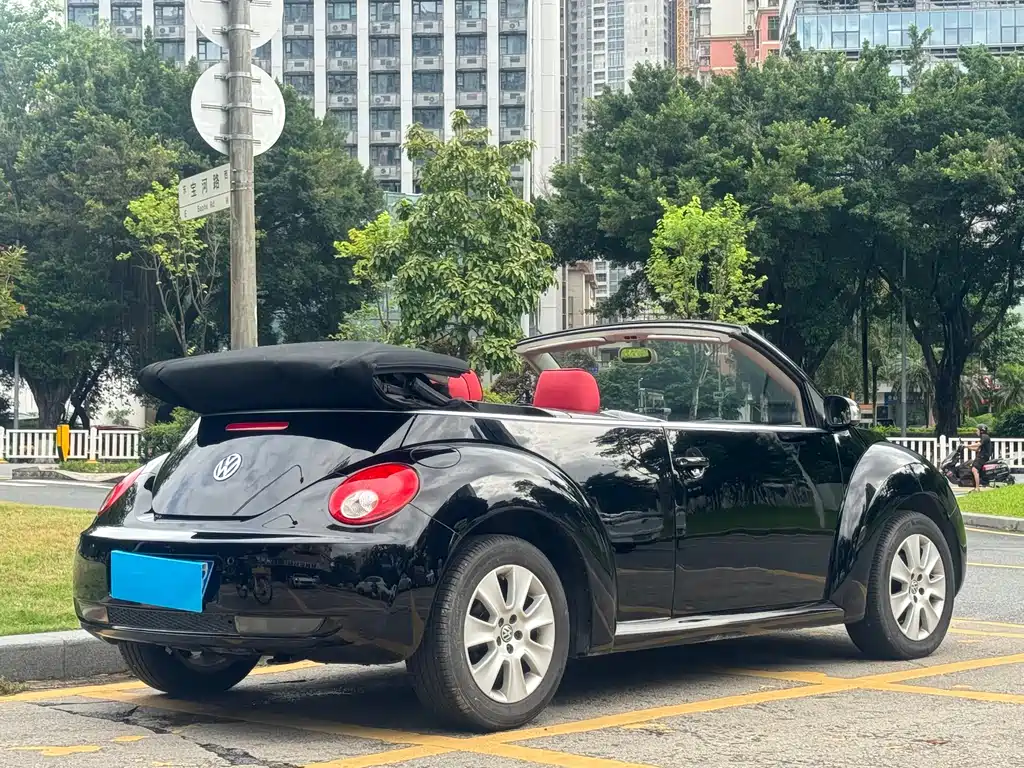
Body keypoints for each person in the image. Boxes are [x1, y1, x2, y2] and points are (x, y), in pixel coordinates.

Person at [966, 424, 994, 491]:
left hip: (983, 456)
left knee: (974, 469)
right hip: (982, 455)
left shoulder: (984, 436)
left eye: (977, 430)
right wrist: (966, 447)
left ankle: (977, 488)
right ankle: (978, 485)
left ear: (981, 431)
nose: (976, 431)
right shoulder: (983, 437)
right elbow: (977, 449)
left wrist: (968, 445)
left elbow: (978, 444)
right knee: (973, 468)